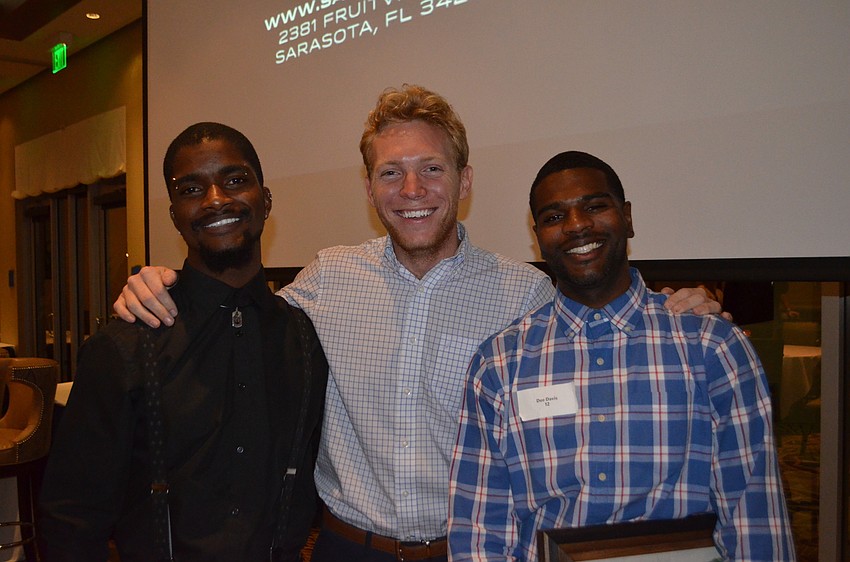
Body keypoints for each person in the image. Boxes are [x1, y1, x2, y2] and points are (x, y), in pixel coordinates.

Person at [113, 87, 722, 562]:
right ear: (370, 189)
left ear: (465, 179)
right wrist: (163, 282)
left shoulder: (528, 295)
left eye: (432, 169)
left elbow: (608, 345)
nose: (412, 191)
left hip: (473, 550)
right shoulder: (327, 279)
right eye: (389, 173)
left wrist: (675, 308)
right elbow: (239, 308)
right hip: (346, 551)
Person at [447, 151, 795, 561]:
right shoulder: (500, 363)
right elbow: (481, 529)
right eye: (555, 217)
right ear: (538, 235)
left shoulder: (711, 347)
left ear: (627, 217)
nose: (577, 225)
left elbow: (754, 516)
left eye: (594, 206)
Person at [39, 123, 328, 562]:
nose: (216, 199)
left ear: (265, 200)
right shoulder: (124, 346)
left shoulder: (305, 339)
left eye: (235, 180)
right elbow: (73, 519)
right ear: (176, 215)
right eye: (192, 189)